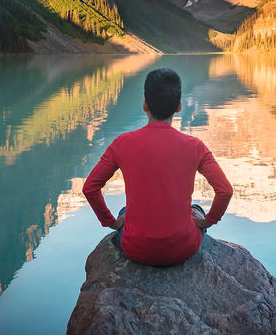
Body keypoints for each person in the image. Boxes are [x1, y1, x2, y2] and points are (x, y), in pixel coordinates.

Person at [82, 68, 233, 266]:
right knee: (195, 209)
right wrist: (207, 221)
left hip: (134, 248)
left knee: (125, 212)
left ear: (145, 105)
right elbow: (225, 191)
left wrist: (111, 222)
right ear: (178, 107)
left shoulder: (121, 143)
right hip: (183, 248)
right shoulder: (195, 146)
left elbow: (90, 188)